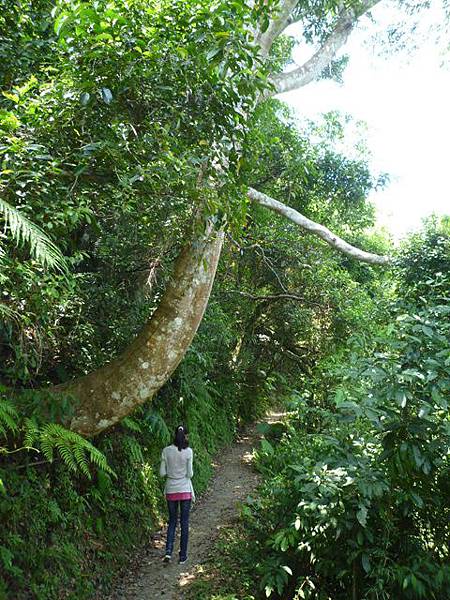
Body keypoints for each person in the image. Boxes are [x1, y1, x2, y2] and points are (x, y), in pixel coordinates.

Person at [159, 425, 195, 565]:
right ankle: (183, 556)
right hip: (184, 490)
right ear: (186, 436)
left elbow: (162, 473)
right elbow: (190, 474)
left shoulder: (166, 451)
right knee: (184, 523)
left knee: (172, 521)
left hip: (170, 490)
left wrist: (171, 472)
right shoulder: (188, 452)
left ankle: (168, 552)